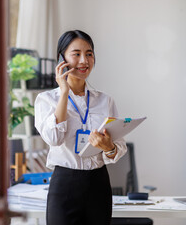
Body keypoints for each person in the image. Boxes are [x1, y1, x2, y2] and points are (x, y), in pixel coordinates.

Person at [34, 30, 127, 225]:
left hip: (98, 183)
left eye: (89, 53)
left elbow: (119, 148)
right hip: (65, 184)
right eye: (76, 54)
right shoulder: (46, 100)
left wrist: (108, 147)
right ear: (62, 59)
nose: (84, 60)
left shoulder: (105, 100)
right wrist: (64, 92)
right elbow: (54, 138)